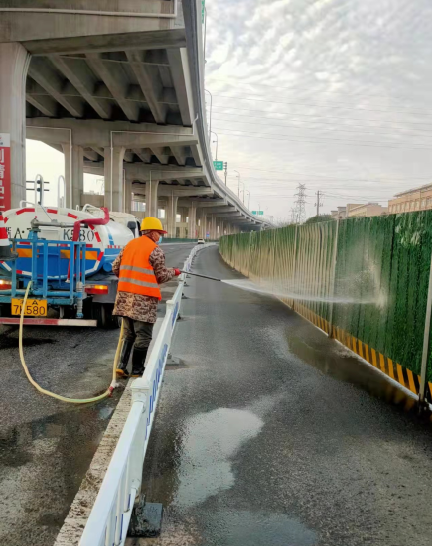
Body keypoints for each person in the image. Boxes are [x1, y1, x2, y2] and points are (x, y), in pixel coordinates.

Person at [112, 217, 181, 377]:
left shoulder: (129, 245)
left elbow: (115, 267)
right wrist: (174, 272)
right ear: (152, 232)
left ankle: (121, 366)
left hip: (125, 297)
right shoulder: (155, 250)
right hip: (144, 301)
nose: (160, 236)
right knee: (143, 335)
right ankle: (137, 370)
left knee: (128, 333)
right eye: (159, 233)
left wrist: (129, 279)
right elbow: (161, 276)